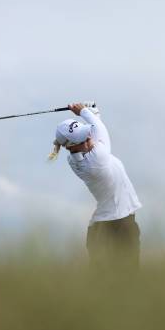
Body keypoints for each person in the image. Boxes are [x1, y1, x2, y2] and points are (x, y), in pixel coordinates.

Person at [50, 103, 142, 272]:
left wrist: (93, 112)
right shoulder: (97, 159)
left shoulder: (77, 157)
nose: (88, 139)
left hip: (102, 228)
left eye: (86, 135)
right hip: (118, 227)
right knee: (128, 281)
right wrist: (83, 111)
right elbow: (100, 128)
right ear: (70, 146)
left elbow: (94, 130)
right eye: (83, 139)